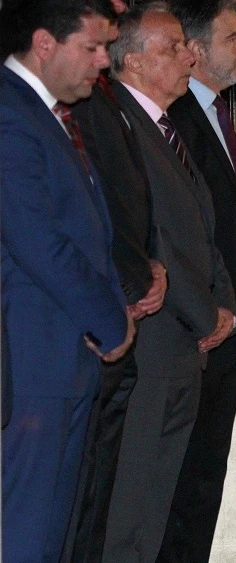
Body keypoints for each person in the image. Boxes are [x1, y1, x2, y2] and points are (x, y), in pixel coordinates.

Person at [0, 0, 135, 560]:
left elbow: (84, 233)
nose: (104, 61)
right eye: (93, 47)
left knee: (52, 529)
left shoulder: (46, 111)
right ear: (45, 42)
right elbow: (39, 242)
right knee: (27, 530)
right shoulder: (10, 113)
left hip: (62, 355)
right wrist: (110, 319)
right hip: (33, 357)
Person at [103, 4, 236, 560]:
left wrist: (224, 305)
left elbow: (206, 236)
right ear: (132, 60)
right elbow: (157, 239)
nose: (189, 56)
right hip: (157, 345)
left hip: (184, 346)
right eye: (172, 47)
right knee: (131, 505)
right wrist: (206, 314)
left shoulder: (166, 127)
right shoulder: (123, 127)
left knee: (159, 503)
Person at [159, 1, 236, 560]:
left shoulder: (218, 113)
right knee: (180, 486)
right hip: (197, 330)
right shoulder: (176, 117)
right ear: (196, 47)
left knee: (205, 478)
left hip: (229, 327)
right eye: (232, 37)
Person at [64, 1, 169, 560]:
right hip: (95, 322)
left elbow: (132, 207)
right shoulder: (69, 104)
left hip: (126, 306)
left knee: (100, 495)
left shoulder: (104, 98)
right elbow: (84, 214)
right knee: (74, 502)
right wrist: (126, 285)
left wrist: (151, 267)